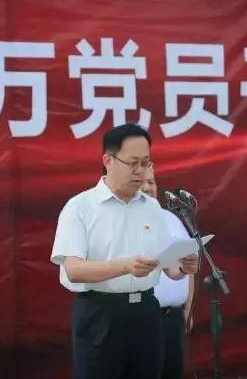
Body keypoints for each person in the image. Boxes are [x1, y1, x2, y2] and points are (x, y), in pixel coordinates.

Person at [50, 123, 199, 379]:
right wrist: (125, 266)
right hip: (101, 313)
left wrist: (183, 267)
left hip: (146, 313)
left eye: (146, 163)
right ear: (108, 161)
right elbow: (73, 270)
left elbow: (168, 267)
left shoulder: (152, 207)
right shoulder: (80, 207)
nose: (141, 171)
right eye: (133, 163)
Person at [141, 167, 195, 379]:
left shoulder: (172, 219)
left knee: (172, 371)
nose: (148, 187)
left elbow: (188, 267)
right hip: (143, 318)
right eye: (142, 182)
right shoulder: (126, 222)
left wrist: (188, 309)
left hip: (172, 318)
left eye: (151, 182)